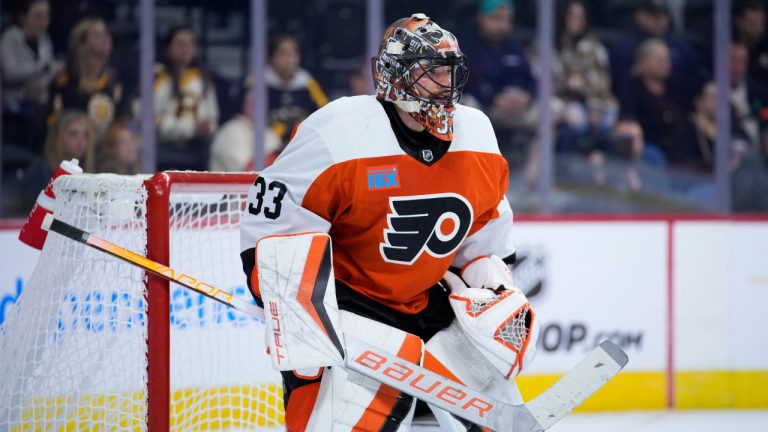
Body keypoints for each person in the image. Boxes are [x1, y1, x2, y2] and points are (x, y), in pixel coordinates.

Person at [240, 14, 539, 431]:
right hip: (350, 308)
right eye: (431, 72)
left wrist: (496, 293)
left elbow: (484, 238)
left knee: (494, 410)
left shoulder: (478, 134)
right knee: (338, 417)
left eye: (449, 71)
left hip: (426, 300)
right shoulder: (338, 132)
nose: (445, 83)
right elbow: (274, 232)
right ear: (394, 76)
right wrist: (301, 324)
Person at [154, 25, 219, 171]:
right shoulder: (158, 78)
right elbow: (153, 122)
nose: (187, 48)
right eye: (181, 43)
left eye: (191, 43)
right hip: (163, 146)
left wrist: (207, 127)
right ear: (168, 47)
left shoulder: (203, 79)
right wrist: (190, 129)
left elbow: (213, 117)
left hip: (198, 147)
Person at [609, 0, 703, 101]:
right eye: (654, 16)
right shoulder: (624, 49)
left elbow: (695, 78)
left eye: (665, 15)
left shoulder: (681, 46)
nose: (661, 20)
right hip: (637, 103)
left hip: (679, 103)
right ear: (639, 16)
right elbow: (619, 85)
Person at [1, 0, 62, 149]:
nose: (43, 21)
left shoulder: (45, 40)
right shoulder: (10, 37)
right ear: (23, 17)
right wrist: (43, 67)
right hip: (11, 102)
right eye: (38, 16)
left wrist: (49, 72)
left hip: (38, 101)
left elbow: (48, 74)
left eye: (46, 16)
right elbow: (10, 72)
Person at [618, 38, 689, 165]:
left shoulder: (676, 87)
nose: (665, 64)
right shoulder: (631, 89)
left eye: (667, 60)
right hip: (647, 147)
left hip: (678, 149)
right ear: (643, 63)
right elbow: (628, 122)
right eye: (660, 60)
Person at [49, 18, 122, 139]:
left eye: (106, 34)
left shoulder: (114, 79)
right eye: (97, 35)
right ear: (82, 44)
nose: (105, 39)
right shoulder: (66, 82)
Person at [21, 110, 94, 209]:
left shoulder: (90, 173)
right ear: (57, 138)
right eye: (73, 134)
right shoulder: (39, 171)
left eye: (85, 135)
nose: (81, 141)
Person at [266, 34, 328, 145]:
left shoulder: (307, 82)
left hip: (302, 140)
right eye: (283, 54)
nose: (289, 60)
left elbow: (325, 110)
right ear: (272, 58)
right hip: (267, 140)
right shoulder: (259, 82)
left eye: (293, 54)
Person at [209, 86, 281, 171]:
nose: (258, 107)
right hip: (234, 179)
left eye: (262, 103)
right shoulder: (231, 131)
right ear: (243, 104)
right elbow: (246, 170)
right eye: (253, 103)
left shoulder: (270, 133)